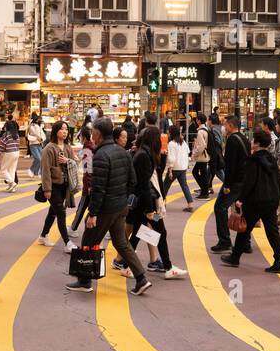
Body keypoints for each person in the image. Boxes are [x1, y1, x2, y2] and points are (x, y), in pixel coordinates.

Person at [65, 117, 151, 296]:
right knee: (121, 243)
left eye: (93, 132)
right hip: (121, 207)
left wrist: (93, 214)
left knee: (88, 241)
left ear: (97, 133)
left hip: (105, 208)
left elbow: (98, 189)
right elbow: (132, 181)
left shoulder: (101, 156)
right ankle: (141, 278)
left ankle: (84, 280)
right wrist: (123, 197)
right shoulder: (123, 152)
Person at [220, 126, 280, 273]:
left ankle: (235, 257)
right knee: (272, 231)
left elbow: (249, 182)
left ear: (256, 143)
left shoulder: (252, 160)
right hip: (271, 199)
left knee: (244, 229)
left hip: (255, 200)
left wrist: (240, 199)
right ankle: (279, 260)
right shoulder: (272, 159)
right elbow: (276, 180)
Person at [127, 125, 186, 279]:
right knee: (159, 231)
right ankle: (167, 267)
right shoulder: (143, 156)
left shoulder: (145, 154)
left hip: (145, 203)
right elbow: (145, 185)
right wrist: (149, 210)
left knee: (139, 233)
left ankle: (127, 265)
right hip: (148, 204)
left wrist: (163, 157)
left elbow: (156, 175)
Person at [211, 116, 249, 254]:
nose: (223, 127)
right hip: (244, 181)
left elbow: (230, 165)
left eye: (225, 125)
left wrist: (227, 185)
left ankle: (224, 241)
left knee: (220, 208)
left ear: (231, 125)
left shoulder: (232, 140)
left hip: (234, 182)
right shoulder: (244, 138)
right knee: (241, 210)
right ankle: (246, 242)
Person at [38, 120, 76, 248]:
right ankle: (67, 243)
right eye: (62, 129)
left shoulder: (67, 147)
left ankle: (43, 236)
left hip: (64, 186)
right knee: (61, 212)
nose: (65, 132)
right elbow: (45, 170)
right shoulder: (49, 148)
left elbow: (76, 163)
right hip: (53, 187)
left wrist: (68, 161)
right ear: (55, 131)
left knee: (53, 212)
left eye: (66, 129)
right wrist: (47, 189)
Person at [163, 123, 193, 208]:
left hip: (175, 168)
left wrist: (170, 170)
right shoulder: (182, 142)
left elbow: (171, 158)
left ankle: (161, 203)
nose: (168, 133)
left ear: (171, 133)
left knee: (165, 186)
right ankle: (190, 204)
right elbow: (187, 152)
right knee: (184, 185)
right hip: (182, 167)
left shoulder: (171, 144)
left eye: (169, 132)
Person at [190, 113, 212, 199]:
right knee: (203, 174)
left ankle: (205, 192)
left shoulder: (200, 131)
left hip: (202, 157)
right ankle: (204, 191)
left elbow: (201, 146)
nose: (196, 121)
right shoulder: (206, 129)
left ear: (199, 121)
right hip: (205, 156)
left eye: (197, 119)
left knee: (196, 172)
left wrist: (194, 155)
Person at [0, 116, 21, 192]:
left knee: (3, 169)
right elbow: (18, 144)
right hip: (16, 152)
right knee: (12, 169)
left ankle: (11, 183)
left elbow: (2, 144)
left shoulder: (6, 134)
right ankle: (12, 187)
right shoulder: (16, 134)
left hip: (9, 152)